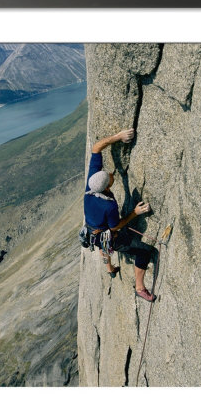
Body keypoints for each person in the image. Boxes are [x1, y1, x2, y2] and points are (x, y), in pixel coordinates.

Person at [84, 128, 156, 302]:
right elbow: (115, 226)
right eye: (109, 177)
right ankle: (140, 288)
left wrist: (118, 137)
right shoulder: (108, 205)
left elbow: (96, 147)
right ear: (107, 187)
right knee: (145, 252)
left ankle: (109, 269)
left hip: (92, 228)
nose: (110, 173)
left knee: (102, 245)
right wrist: (135, 213)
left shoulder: (91, 184)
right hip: (108, 235)